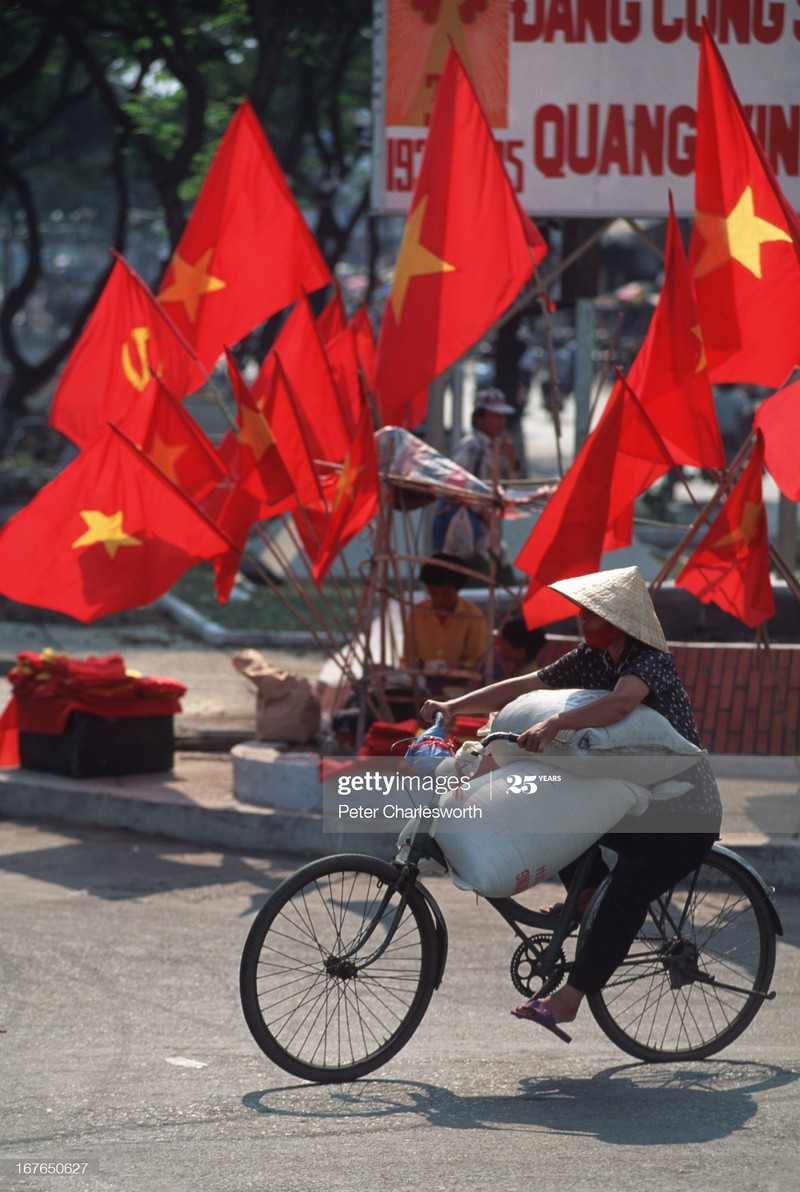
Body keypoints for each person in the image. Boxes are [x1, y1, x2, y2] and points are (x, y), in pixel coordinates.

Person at [420, 565, 722, 1044]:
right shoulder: (592, 657)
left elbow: (622, 705)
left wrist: (557, 724)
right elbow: (526, 685)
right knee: (561, 818)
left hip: (683, 813)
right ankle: (584, 898)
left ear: (619, 623)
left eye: (592, 615)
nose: (582, 621)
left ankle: (569, 999)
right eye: (582, 614)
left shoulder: (648, 661)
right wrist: (455, 707)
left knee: (627, 891)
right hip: (629, 804)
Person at [431, 388, 521, 582]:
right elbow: (455, 484)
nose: (501, 421)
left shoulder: (498, 446)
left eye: (503, 416)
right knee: (477, 586)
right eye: (495, 416)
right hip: (471, 535)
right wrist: (482, 512)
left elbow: (507, 485)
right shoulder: (472, 445)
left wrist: (512, 459)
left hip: (492, 537)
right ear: (479, 419)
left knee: (504, 586)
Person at [403, 554, 488, 697]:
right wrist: (420, 666)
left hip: (461, 689)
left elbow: (476, 660)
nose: (439, 598)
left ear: (457, 589)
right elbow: (408, 657)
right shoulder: (417, 614)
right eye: (433, 592)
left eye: (445, 593)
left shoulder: (473, 616)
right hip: (422, 688)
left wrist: (458, 667)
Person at [492, 615, 546, 681]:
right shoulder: (513, 670)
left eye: (504, 643)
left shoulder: (526, 679)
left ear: (520, 652)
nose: (498, 644)